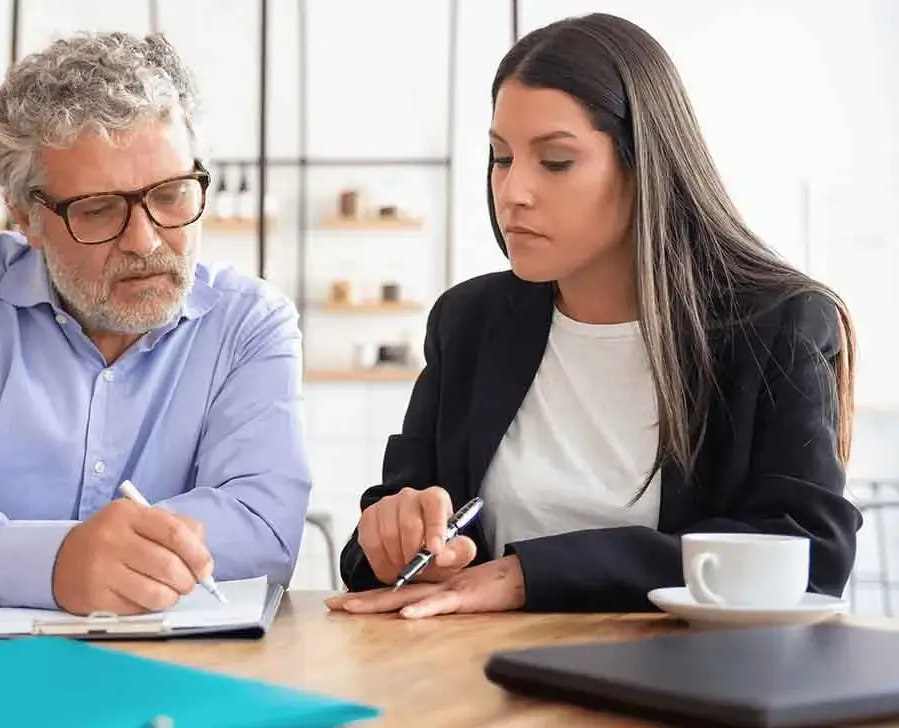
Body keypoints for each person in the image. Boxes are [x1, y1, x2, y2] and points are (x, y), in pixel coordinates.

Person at [326, 12, 863, 618]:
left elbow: (810, 556)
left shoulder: (777, 326)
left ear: (644, 165)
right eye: (501, 158)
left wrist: (532, 576)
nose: (512, 192)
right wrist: (396, 537)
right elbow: (374, 550)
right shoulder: (469, 321)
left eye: (556, 161)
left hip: (687, 669)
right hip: (478, 666)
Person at [0, 32, 312, 616]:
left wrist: (98, 559)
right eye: (98, 210)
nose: (145, 241)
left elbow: (264, 529)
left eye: (172, 196)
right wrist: (54, 564)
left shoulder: (249, 323)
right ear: (25, 217)